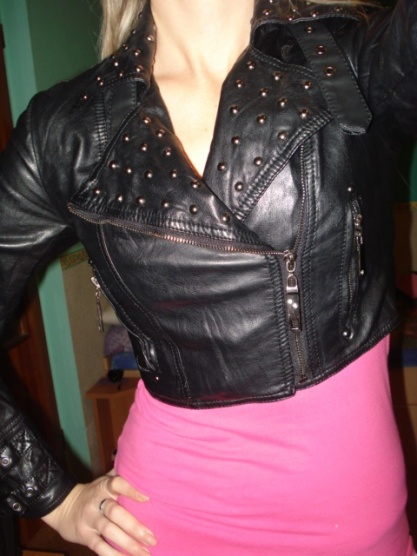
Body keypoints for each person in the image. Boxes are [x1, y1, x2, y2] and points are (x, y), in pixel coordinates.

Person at [0, 0, 416, 554]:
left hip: (354, 522)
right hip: (164, 522)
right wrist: (53, 498)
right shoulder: (69, 128)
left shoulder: (354, 59)